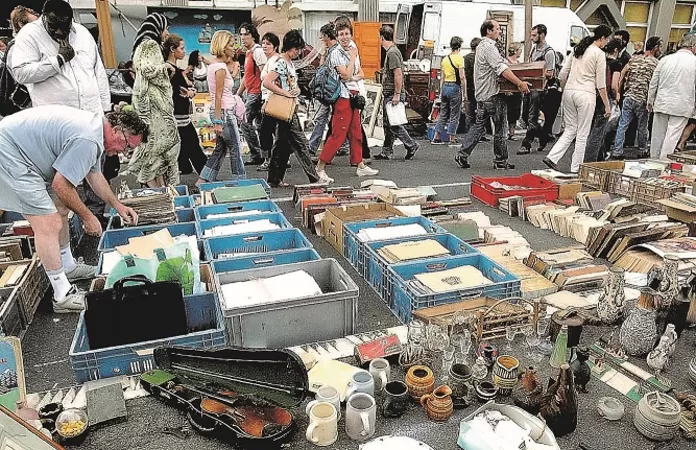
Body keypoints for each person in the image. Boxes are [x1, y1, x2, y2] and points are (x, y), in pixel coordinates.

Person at [0, 106, 146, 312]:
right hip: (9, 155)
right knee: (48, 223)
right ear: (116, 130)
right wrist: (88, 217)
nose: (124, 152)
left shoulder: (95, 131)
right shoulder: (88, 139)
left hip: (20, 151)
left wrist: (118, 206)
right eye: (126, 145)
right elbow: (61, 185)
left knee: (60, 208)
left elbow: (94, 176)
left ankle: (67, 267)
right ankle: (61, 295)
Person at [9, 0, 110, 115]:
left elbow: (98, 71)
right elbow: (21, 74)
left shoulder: (82, 32)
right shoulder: (28, 34)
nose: (59, 32)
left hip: (92, 114)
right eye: (53, 26)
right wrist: (58, 60)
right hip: (57, 121)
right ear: (44, 17)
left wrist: (106, 108)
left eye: (64, 27)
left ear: (71, 21)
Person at [454, 20, 530, 170]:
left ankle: (462, 154)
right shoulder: (489, 47)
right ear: (488, 31)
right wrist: (519, 83)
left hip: (482, 94)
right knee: (501, 128)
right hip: (492, 94)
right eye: (497, 29)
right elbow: (501, 68)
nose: (499, 32)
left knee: (479, 126)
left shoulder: (481, 47)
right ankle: (501, 161)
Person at [543, 25, 612, 174]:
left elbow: (563, 74)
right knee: (582, 134)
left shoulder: (578, 49)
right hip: (586, 94)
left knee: (570, 129)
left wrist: (561, 88)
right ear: (602, 38)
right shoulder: (599, 54)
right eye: (607, 39)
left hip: (569, 92)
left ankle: (552, 157)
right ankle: (576, 169)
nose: (607, 42)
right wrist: (607, 105)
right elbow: (601, 84)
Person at [314, 23, 378, 182]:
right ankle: (320, 167)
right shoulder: (336, 53)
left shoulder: (352, 47)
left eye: (347, 33)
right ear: (336, 36)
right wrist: (353, 59)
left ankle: (360, 164)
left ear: (351, 34)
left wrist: (352, 75)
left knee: (356, 132)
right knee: (338, 134)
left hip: (353, 95)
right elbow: (345, 74)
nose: (344, 37)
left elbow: (360, 73)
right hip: (342, 96)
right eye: (341, 34)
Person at [128, 12, 181, 188]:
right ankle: (156, 189)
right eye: (165, 28)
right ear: (158, 28)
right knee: (158, 147)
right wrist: (164, 68)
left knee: (155, 149)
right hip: (154, 107)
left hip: (150, 106)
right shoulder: (150, 45)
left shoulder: (144, 45)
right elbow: (147, 70)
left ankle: (159, 188)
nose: (166, 33)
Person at [262, 30, 320, 187]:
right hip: (286, 108)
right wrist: (286, 93)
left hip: (288, 107)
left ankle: (274, 179)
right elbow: (267, 82)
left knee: (282, 145)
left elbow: (292, 85)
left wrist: (296, 91)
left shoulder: (288, 63)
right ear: (291, 47)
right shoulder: (281, 62)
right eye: (298, 49)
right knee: (301, 143)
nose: (299, 52)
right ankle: (315, 178)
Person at [196, 30, 246, 185]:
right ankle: (240, 182)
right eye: (231, 45)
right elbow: (218, 95)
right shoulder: (220, 68)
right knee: (235, 149)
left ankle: (203, 179)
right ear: (223, 47)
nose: (234, 48)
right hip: (224, 113)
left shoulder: (214, 65)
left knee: (220, 150)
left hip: (220, 111)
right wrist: (217, 121)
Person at [610, 36, 662, 160]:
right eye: (659, 47)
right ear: (655, 48)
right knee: (642, 126)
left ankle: (617, 151)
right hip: (643, 99)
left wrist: (620, 91)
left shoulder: (634, 59)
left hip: (628, 96)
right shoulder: (656, 63)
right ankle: (642, 150)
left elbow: (622, 74)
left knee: (623, 124)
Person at [163, 34, 208, 176]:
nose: (184, 51)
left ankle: (188, 168)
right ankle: (206, 176)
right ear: (172, 49)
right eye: (182, 48)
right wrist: (186, 92)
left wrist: (188, 91)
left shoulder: (174, 68)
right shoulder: (168, 68)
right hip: (177, 115)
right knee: (193, 146)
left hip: (180, 113)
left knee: (186, 145)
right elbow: (168, 90)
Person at [373, 25, 420, 161]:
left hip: (392, 93)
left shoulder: (391, 53)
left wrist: (397, 94)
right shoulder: (394, 51)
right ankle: (386, 151)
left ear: (382, 37)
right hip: (392, 92)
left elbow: (398, 74)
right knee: (389, 124)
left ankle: (411, 144)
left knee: (393, 123)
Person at [647, 33, 696, 160]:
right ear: (693, 46)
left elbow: (654, 82)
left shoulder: (665, 59)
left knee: (657, 135)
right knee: (672, 136)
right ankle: (664, 162)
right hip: (683, 104)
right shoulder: (694, 62)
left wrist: (650, 100)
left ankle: (653, 160)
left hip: (662, 102)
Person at [519, 24, 561, 154]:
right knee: (524, 115)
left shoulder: (549, 52)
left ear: (542, 35)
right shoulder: (533, 49)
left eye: (534, 35)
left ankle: (526, 144)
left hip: (540, 89)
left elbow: (550, 73)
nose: (531, 38)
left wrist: (536, 72)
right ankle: (543, 136)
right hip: (530, 87)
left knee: (531, 116)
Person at [584, 37, 623, 162]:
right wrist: (617, 95)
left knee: (591, 130)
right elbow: (613, 85)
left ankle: (594, 155)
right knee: (600, 131)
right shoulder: (616, 64)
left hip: (593, 95)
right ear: (616, 50)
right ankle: (592, 159)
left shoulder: (602, 59)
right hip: (606, 98)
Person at [237, 22, 266, 166]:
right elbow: (246, 77)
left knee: (244, 122)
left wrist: (265, 93)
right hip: (251, 92)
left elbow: (265, 72)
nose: (243, 37)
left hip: (257, 93)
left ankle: (257, 154)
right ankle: (264, 155)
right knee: (261, 126)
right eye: (241, 34)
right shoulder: (248, 53)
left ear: (253, 35)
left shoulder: (257, 51)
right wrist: (238, 93)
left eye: (246, 34)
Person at [432, 36, 465, 145]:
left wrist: (441, 91)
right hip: (455, 87)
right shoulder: (460, 59)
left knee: (443, 113)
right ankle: (452, 138)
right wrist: (464, 91)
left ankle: (436, 137)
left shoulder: (445, 59)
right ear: (459, 46)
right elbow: (462, 77)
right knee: (454, 114)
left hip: (445, 86)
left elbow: (442, 77)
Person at [258, 32, 281, 172]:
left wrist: (267, 102)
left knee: (266, 131)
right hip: (268, 98)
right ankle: (276, 157)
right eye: (264, 43)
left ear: (275, 46)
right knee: (273, 130)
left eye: (268, 44)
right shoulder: (270, 60)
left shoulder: (275, 61)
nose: (265, 46)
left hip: (271, 99)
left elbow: (273, 83)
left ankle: (269, 160)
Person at [463, 37, 484, 135]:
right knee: (479, 111)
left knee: (470, 111)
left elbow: (464, 75)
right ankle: (479, 133)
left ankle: (470, 133)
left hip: (469, 87)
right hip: (479, 87)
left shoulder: (465, 58)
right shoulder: (479, 58)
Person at [504, 42, 523, 141]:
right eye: (520, 49)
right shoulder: (506, 62)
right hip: (508, 91)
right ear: (516, 51)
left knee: (515, 112)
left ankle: (512, 133)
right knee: (507, 111)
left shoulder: (519, 62)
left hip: (517, 91)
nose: (521, 51)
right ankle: (505, 132)